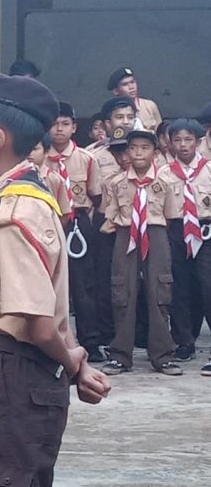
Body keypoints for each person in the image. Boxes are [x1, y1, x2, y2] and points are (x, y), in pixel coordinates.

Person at [0, 74, 110, 486]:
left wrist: (71, 362)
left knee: (8, 477)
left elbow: (38, 324)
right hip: (20, 368)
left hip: (15, 369)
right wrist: (74, 362)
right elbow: (51, 300)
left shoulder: (16, 211)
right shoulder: (20, 198)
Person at [98, 125, 184, 376]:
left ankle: (163, 355)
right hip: (125, 234)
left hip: (155, 233)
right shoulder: (116, 183)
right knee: (122, 291)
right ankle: (120, 355)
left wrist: (152, 231)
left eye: (145, 148)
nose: (138, 153)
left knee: (160, 290)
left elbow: (171, 216)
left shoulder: (166, 181)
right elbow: (110, 214)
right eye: (133, 148)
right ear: (127, 152)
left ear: (155, 153)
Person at [45, 102, 106, 362]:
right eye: (54, 124)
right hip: (47, 221)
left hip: (79, 222)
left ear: (74, 127)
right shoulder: (38, 158)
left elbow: (97, 195)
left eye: (65, 124)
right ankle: (51, 341)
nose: (59, 129)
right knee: (49, 283)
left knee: (84, 285)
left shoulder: (86, 158)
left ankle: (90, 341)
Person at [157, 119, 211, 364]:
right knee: (179, 287)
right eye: (177, 140)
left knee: (207, 287)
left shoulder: (208, 169)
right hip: (176, 231)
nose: (183, 145)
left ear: (198, 142)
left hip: (205, 232)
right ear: (170, 143)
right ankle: (184, 341)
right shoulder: (164, 173)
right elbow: (158, 208)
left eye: (188, 139)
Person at [89, 96, 139, 347]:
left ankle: (140, 332)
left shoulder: (146, 149)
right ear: (107, 123)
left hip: (138, 219)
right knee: (105, 278)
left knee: (141, 278)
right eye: (119, 117)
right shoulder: (93, 155)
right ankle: (107, 332)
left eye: (130, 117)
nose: (125, 122)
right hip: (105, 221)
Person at [29, 134, 72, 225]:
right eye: (25, 148)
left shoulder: (55, 180)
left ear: (46, 152)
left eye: (34, 149)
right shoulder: (12, 178)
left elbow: (64, 213)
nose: (29, 153)